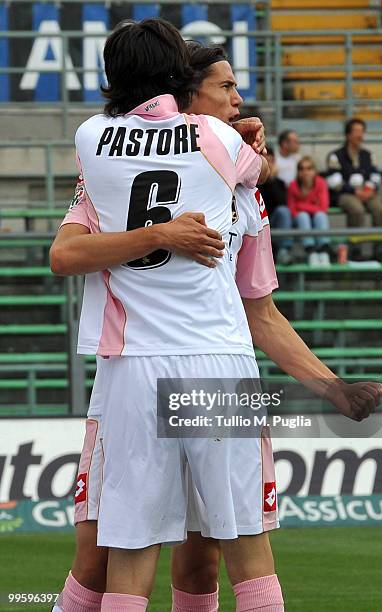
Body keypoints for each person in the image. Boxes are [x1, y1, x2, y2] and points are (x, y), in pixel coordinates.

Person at [51, 37, 382, 612]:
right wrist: (163, 231)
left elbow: (260, 310)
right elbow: (64, 254)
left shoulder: (100, 142)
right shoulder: (222, 149)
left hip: (158, 361)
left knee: (189, 551)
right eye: (226, 87)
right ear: (185, 90)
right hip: (178, 364)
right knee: (107, 554)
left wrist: (329, 384)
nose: (238, 99)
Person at [52, 17, 281, 612]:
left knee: (129, 550)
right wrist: (250, 136)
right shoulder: (218, 137)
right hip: (221, 357)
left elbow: (76, 235)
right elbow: (258, 168)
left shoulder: (89, 137)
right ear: (180, 74)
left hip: (134, 361)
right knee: (247, 547)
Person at [326, 118, 382, 261]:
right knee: (356, 209)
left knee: (380, 209)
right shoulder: (336, 155)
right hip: (345, 194)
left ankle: (380, 250)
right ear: (348, 135)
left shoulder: (368, 155)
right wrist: (355, 191)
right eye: (356, 131)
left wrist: (370, 189)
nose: (360, 135)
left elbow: (376, 175)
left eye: (362, 131)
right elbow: (333, 181)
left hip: (367, 192)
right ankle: (355, 249)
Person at [288, 156, 332, 267]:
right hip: (300, 222)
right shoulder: (293, 185)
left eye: (309, 168)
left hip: (317, 219)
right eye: (302, 169)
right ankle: (311, 250)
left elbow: (323, 208)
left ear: (314, 171)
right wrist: (311, 207)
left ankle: (324, 250)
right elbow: (292, 211)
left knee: (320, 216)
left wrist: (300, 205)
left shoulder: (321, 183)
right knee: (303, 216)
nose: (305, 172)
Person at [258, 150, 293, 265]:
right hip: (257, 221)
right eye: (265, 160)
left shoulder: (279, 183)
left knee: (284, 211)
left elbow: (281, 202)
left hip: (273, 220)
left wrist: (271, 179)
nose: (268, 164)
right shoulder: (251, 181)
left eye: (270, 161)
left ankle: (284, 250)